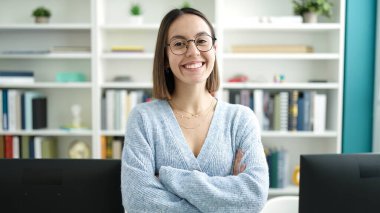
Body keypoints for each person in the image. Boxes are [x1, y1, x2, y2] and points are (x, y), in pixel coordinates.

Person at [121, 7, 269, 213]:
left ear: (214, 49)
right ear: (164, 56)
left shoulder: (241, 119)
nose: (193, 52)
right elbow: (139, 203)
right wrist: (224, 198)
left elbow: (253, 197)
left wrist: (169, 177)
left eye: (201, 41)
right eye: (179, 44)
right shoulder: (143, 119)